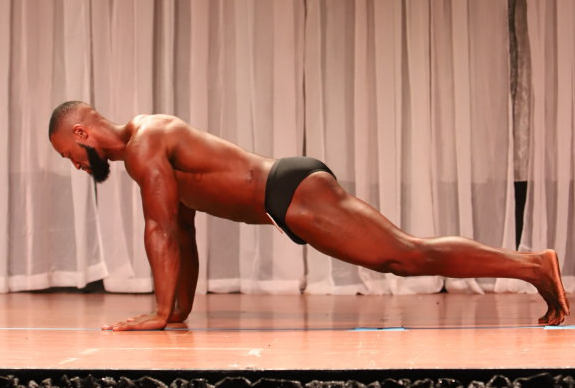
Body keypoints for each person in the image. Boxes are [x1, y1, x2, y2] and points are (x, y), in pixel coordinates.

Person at [48, 101, 570, 330]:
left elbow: (160, 229)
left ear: (81, 133)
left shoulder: (146, 145)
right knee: (404, 255)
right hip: (287, 197)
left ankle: (531, 266)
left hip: (291, 191)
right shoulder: (146, 152)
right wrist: (178, 309)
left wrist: (159, 314)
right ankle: (533, 268)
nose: (75, 165)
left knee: (405, 257)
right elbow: (182, 232)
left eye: (68, 155)